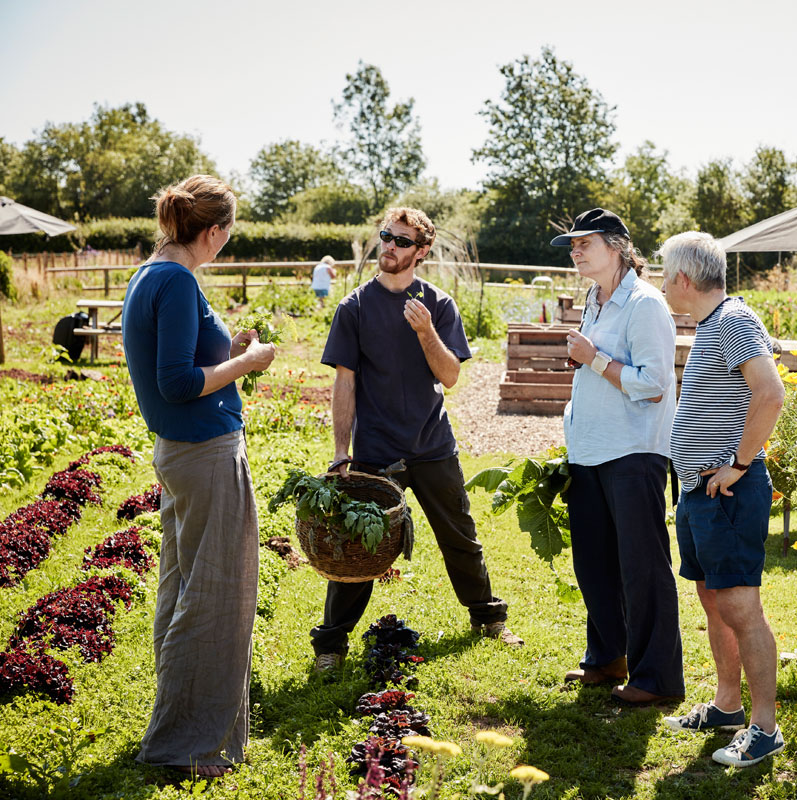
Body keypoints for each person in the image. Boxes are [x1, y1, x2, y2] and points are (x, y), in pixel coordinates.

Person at [310, 206, 521, 671]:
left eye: (402, 241)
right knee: (360, 547)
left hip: (431, 444)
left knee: (459, 537)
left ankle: (489, 619)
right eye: (386, 236)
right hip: (375, 449)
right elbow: (344, 382)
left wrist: (425, 331)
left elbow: (450, 376)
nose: (389, 246)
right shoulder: (355, 307)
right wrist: (341, 451)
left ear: (421, 251)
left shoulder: (439, 306)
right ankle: (331, 643)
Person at [122, 175, 277, 778]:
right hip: (206, 451)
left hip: (180, 452)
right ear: (211, 231)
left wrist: (225, 349)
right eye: (226, 236)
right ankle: (184, 747)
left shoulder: (149, 273)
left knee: (183, 587)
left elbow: (180, 361)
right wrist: (246, 361)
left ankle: (176, 727)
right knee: (216, 597)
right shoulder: (179, 281)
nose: (224, 245)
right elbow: (178, 384)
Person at [657, 231, 788, 768]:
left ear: (685, 280)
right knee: (714, 599)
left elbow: (771, 392)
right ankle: (727, 707)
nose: (663, 288)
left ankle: (765, 728)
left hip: (727, 490)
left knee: (739, 606)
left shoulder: (733, 321)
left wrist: (737, 464)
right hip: (700, 491)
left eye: (665, 277)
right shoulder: (714, 325)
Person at [552, 209, 685, 705]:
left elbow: (653, 385)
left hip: (633, 453)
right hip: (589, 450)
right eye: (572, 245)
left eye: (585, 243)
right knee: (595, 563)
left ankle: (657, 679)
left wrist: (596, 360)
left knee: (642, 567)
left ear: (618, 248)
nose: (576, 251)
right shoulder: (596, 299)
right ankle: (608, 657)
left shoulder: (646, 304)